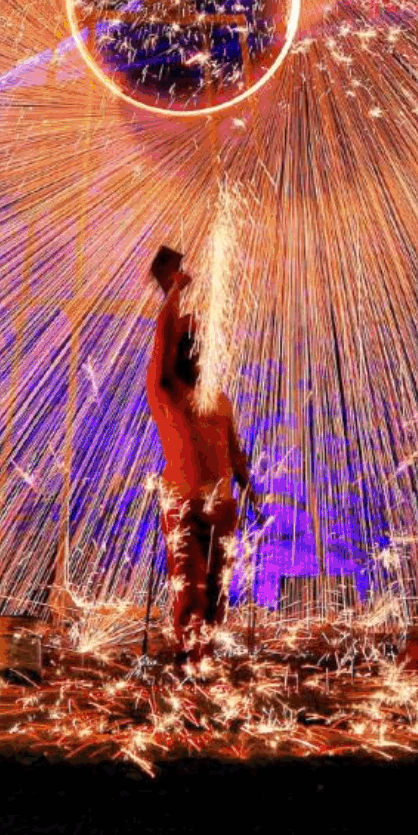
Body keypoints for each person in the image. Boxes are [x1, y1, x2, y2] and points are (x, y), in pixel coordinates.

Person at [147, 246, 252, 655]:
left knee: (217, 593)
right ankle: (194, 661)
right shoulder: (166, 392)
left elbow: (234, 449)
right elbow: (162, 343)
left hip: (222, 505)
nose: (198, 352)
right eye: (191, 345)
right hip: (183, 502)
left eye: (202, 347)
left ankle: (206, 662)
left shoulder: (219, 400)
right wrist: (172, 294)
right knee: (190, 589)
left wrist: (250, 489)